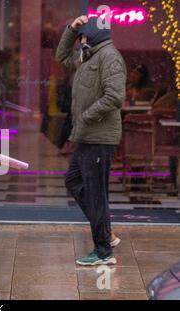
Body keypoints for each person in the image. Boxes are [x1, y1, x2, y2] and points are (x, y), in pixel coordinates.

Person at [56, 16, 126, 266]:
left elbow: (115, 97)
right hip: (86, 135)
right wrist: (71, 28)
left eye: (83, 35)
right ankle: (105, 232)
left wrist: (87, 115)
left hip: (99, 136)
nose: (81, 40)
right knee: (74, 181)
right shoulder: (89, 55)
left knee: (96, 194)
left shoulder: (110, 57)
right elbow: (62, 58)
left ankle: (103, 251)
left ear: (95, 35)